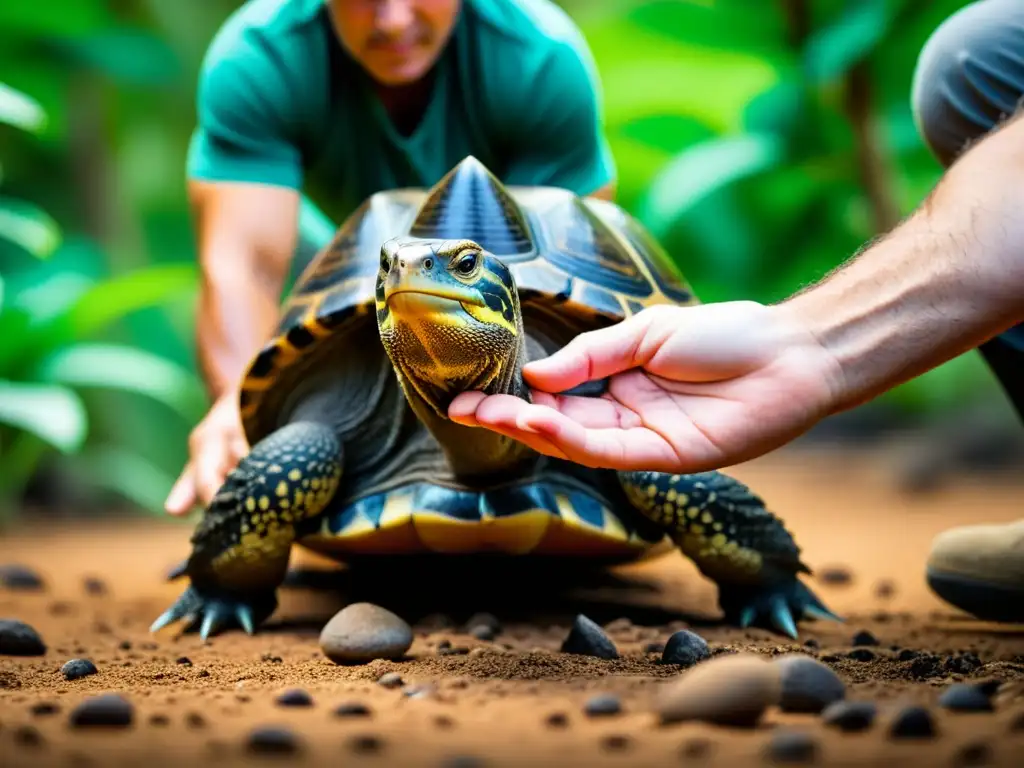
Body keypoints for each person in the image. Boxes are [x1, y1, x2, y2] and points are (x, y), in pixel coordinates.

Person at [449, 0, 1024, 623]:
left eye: (456, 270)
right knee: (972, 67)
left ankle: (766, 573)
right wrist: (806, 342)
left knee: (651, 475)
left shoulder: (530, 54)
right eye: (389, 267)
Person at [164, 0, 617, 516]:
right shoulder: (261, 57)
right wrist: (239, 406)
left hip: (492, 270)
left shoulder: (539, 60)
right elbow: (243, 265)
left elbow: (560, 261)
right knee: (290, 415)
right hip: (341, 254)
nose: (394, 20)